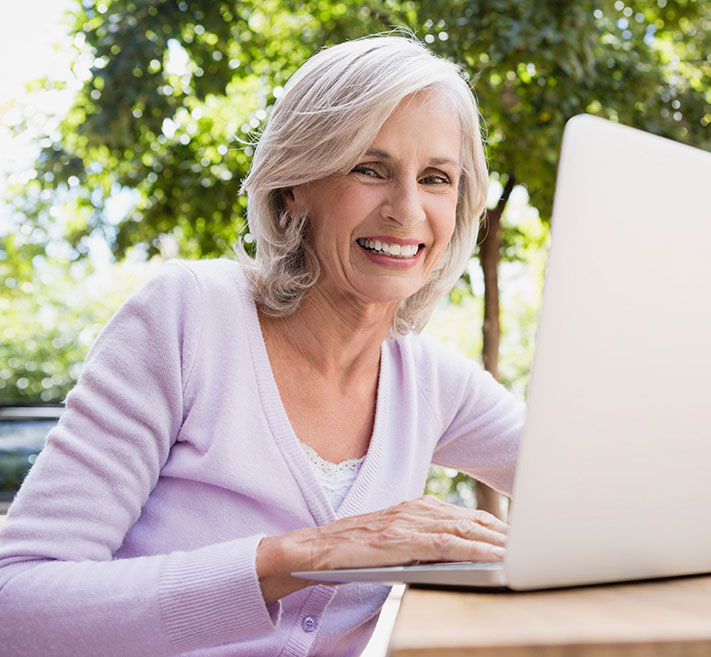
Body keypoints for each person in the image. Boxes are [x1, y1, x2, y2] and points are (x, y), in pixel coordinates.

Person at [0, 35, 524, 656]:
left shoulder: (430, 381)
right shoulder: (188, 317)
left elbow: (605, 482)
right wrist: (304, 556)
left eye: (436, 178)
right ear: (294, 185)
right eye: (369, 168)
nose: (407, 211)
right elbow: (18, 602)